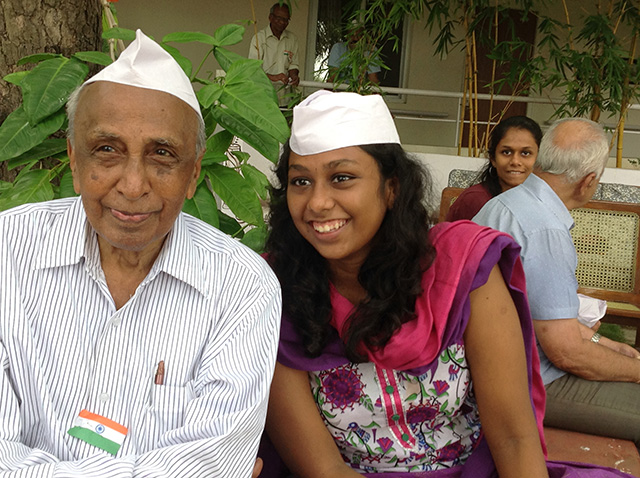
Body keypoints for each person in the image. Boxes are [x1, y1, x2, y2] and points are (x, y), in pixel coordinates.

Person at [260, 91, 631, 477]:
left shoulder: (463, 270)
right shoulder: (274, 291)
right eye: (300, 181)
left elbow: (514, 440)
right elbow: (324, 470)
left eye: (342, 178)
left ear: (392, 188)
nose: (317, 202)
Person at [0, 30, 281, 477]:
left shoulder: (241, 287)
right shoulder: (8, 252)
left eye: (162, 155)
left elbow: (214, 464)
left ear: (193, 173)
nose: (133, 186)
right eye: (107, 150)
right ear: (74, 161)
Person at [474, 118, 640, 447]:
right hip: (524, 383)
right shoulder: (544, 228)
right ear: (588, 181)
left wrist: (607, 345)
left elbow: (545, 319)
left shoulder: (506, 204)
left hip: (491, 366)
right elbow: (565, 353)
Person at [445, 115, 542, 222]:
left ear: (539, 159)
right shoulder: (476, 200)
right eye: (506, 152)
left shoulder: (544, 202)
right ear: (493, 158)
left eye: (525, 153)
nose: (515, 161)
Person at [248, 2, 300, 107]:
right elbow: (253, 70)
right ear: (270, 17)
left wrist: (294, 76)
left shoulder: (292, 39)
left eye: (286, 20)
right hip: (263, 99)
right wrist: (274, 77)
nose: (282, 22)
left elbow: (293, 64)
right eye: (279, 18)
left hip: (285, 100)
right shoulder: (259, 39)